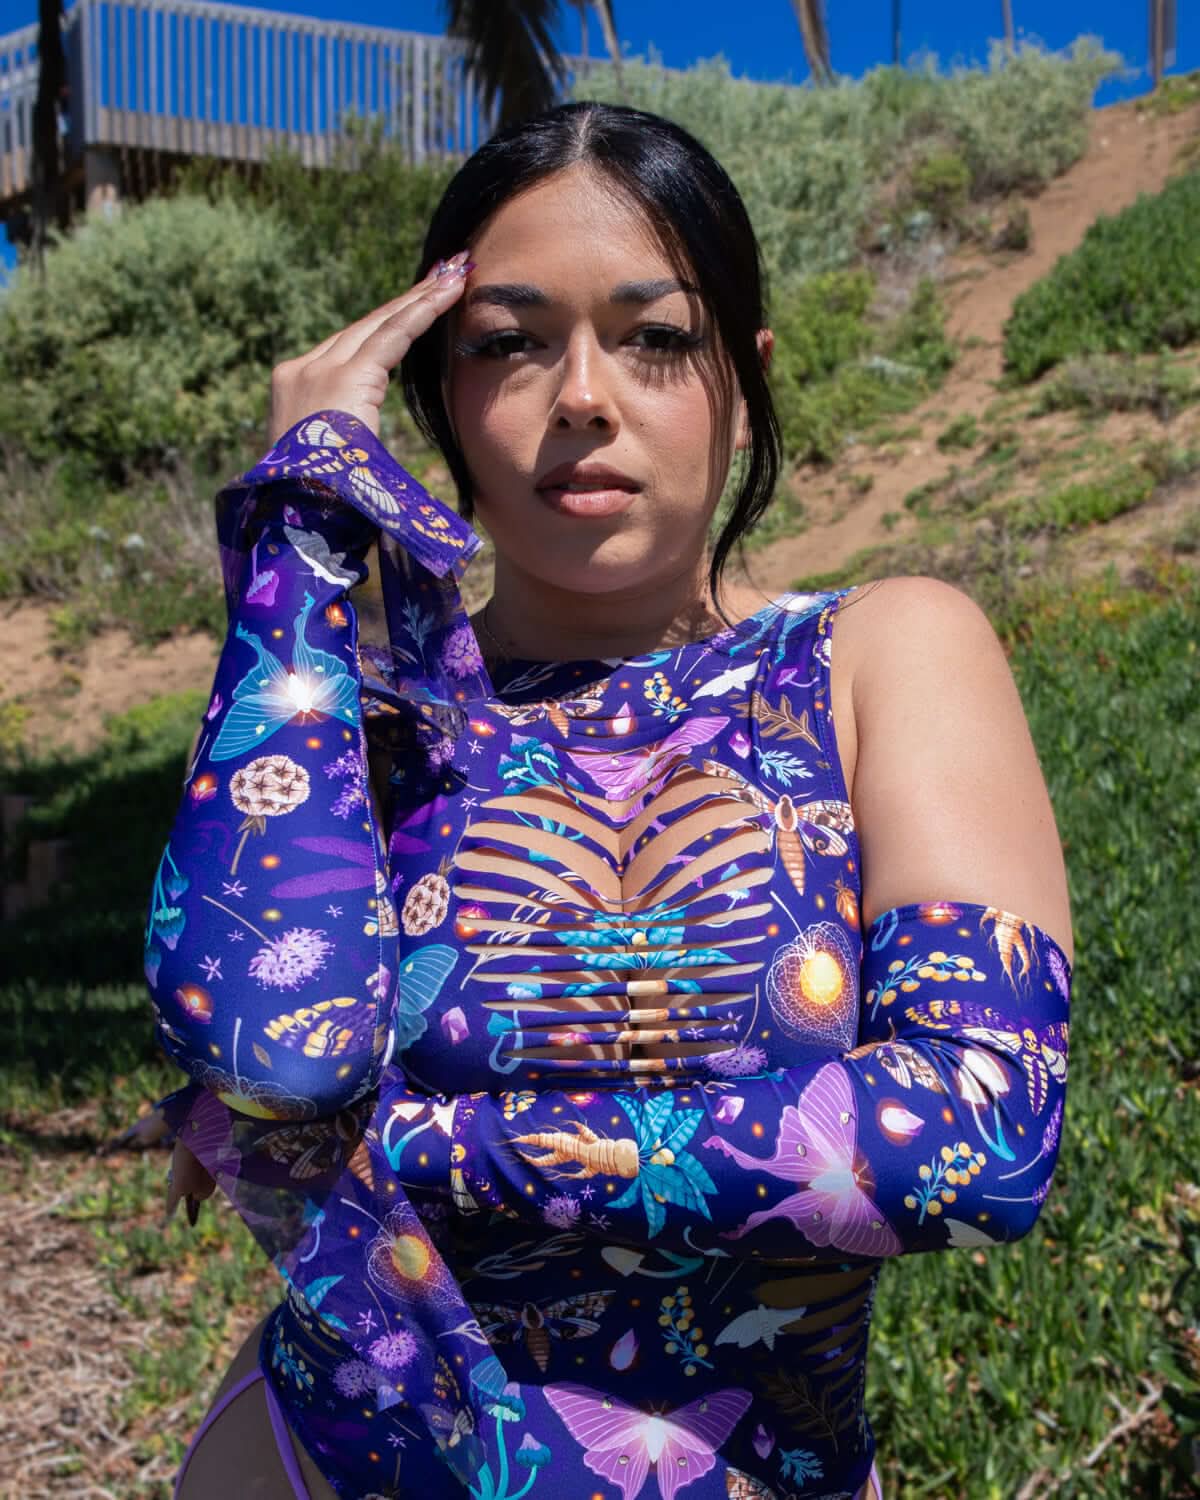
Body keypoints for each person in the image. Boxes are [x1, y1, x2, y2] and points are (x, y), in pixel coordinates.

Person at [145, 102, 1073, 1500]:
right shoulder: (368, 720)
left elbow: (978, 1129)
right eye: (509, 342)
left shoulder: (874, 658)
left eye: (656, 337)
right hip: (329, 1456)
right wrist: (300, 519)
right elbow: (266, 1056)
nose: (583, 393)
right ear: (444, 398)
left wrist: (387, 1148)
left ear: (744, 378)